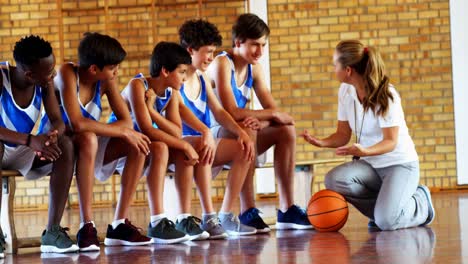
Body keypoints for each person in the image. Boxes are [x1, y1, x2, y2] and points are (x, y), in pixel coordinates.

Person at [301, 40, 435, 231]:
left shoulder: (387, 96)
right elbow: (342, 134)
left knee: (386, 222)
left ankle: (421, 202)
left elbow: (390, 142)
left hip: (400, 165)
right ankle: (386, 210)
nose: (333, 68)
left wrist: (365, 150)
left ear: (348, 70)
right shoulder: (346, 91)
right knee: (334, 179)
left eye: (335, 64)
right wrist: (321, 142)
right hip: (371, 165)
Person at [38, 32, 152, 250]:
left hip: (88, 148)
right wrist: (119, 131)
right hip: (58, 151)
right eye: (112, 68)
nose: (116, 72)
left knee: (138, 143)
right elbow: (77, 123)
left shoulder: (106, 82)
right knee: (90, 137)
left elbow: (127, 122)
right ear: (94, 69)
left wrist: (126, 133)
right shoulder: (67, 73)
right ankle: (86, 226)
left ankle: (118, 224)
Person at [208, 13, 312, 231]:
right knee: (248, 124)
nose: (260, 52)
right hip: (213, 134)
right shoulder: (221, 63)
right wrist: (269, 116)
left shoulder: (254, 69)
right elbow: (232, 111)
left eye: (263, 45)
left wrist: (266, 119)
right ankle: (247, 210)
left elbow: (273, 110)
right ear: (238, 42)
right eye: (255, 44)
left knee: (286, 130)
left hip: (241, 132)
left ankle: (287, 209)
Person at [108, 41, 214, 242]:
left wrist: (152, 111)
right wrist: (183, 143)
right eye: (182, 72)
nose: (184, 78)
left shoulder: (171, 93)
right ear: (165, 71)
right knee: (164, 147)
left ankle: (183, 218)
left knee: (176, 147)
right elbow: (146, 129)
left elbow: (176, 130)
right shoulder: (137, 85)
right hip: (119, 146)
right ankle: (157, 221)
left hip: (144, 146)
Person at [178, 19, 256, 236]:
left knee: (244, 148)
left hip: (201, 143)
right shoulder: (178, 78)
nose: (211, 58)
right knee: (203, 142)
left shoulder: (202, 77)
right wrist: (205, 133)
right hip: (177, 145)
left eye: (214, 52)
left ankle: (225, 215)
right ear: (190, 50)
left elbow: (220, 112)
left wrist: (242, 134)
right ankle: (207, 216)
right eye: (208, 52)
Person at [0, 35, 78, 254]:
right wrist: (30, 140)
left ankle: (52, 232)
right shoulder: (2, 77)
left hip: (22, 149)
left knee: (66, 145)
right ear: (29, 74)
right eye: (50, 70)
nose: (54, 74)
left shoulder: (44, 83)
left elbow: (56, 119)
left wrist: (52, 136)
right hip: (5, 146)